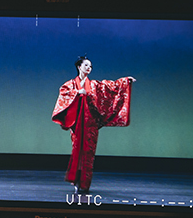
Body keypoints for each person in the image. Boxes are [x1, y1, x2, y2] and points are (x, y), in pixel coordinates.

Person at [52, 56, 135, 193]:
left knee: (88, 153)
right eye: (86, 65)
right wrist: (78, 92)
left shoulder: (95, 85)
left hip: (90, 125)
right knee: (77, 150)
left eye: (90, 66)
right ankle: (76, 180)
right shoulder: (71, 84)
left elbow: (111, 87)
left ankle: (84, 184)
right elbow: (64, 93)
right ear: (79, 67)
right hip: (78, 123)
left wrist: (125, 81)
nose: (89, 68)